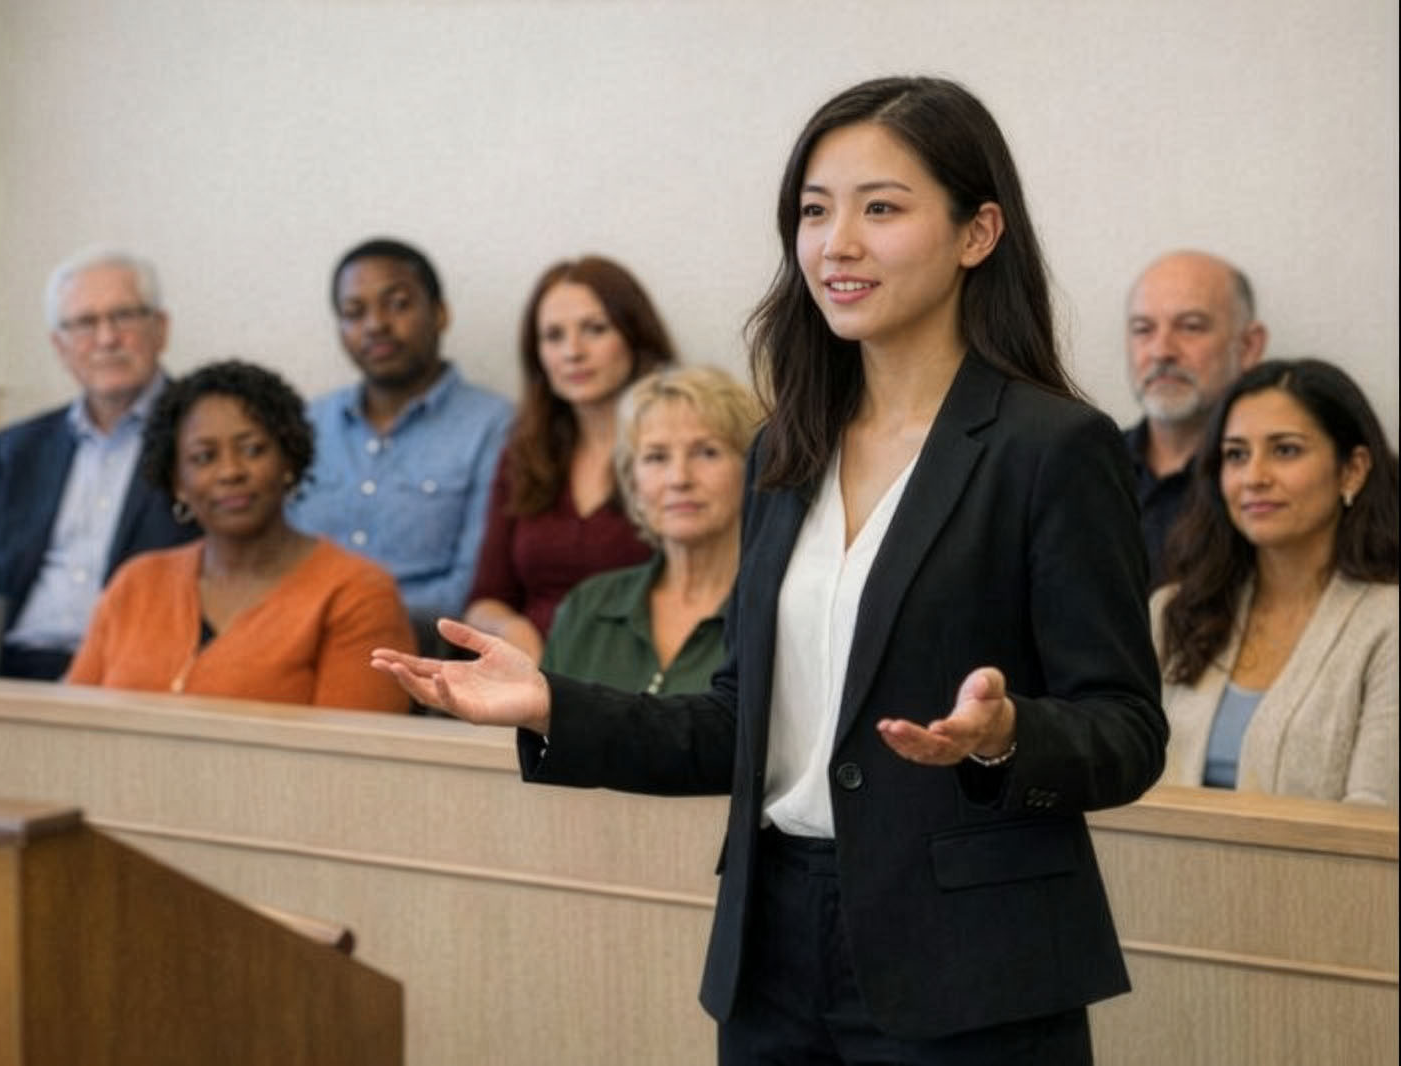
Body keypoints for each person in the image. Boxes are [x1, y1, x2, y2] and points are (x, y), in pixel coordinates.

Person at [375, 76, 1166, 1064]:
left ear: (977, 232)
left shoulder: (1051, 446)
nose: (836, 243)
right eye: (812, 211)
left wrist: (1008, 736)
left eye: (880, 208)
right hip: (773, 945)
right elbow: (733, 724)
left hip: (969, 966)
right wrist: (548, 704)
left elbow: (1127, 731)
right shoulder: (784, 451)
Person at [67, 359, 414, 713]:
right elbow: (70, 727)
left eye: (252, 450)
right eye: (204, 457)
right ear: (178, 482)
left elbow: (353, 761)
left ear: (289, 461)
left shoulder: (359, 594)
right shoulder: (135, 583)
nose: (230, 471)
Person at [0, 247, 199, 680]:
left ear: (161, 329)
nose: (105, 339)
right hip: (12, 669)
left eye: (124, 317)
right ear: (60, 346)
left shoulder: (204, 437)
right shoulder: (20, 448)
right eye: (84, 323)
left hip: (134, 674)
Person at [1152, 359, 1397, 806]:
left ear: (1353, 470)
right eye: (1236, 455)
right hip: (1158, 876)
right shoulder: (1171, 611)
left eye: (1285, 450)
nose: (1254, 478)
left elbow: (1376, 823)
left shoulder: (1389, 623)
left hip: (1327, 879)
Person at [463, 256, 677, 660]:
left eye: (594, 330)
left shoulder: (677, 454)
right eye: (553, 336)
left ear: (635, 336)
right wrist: (513, 629)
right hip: (533, 677)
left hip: (639, 676)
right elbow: (485, 600)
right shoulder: (523, 454)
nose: (572, 352)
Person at [288, 238, 512, 623]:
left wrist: (352, 624)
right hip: (293, 642)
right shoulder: (307, 423)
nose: (375, 325)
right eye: (354, 312)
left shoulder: (495, 425)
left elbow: (470, 588)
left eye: (397, 304)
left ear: (440, 313)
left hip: (421, 655)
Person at [541, 366, 762, 695]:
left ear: (753, 468)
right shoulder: (587, 607)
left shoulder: (774, 612)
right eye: (656, 457)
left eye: (706, 452)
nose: (679, 479)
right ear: (632, 482)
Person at [1124, 250, 1268, 586]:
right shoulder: (1085, 464)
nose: (1161, 351)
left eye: (1190, 327)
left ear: (1248, 346)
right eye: (1143, 329)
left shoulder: (1271, 484)